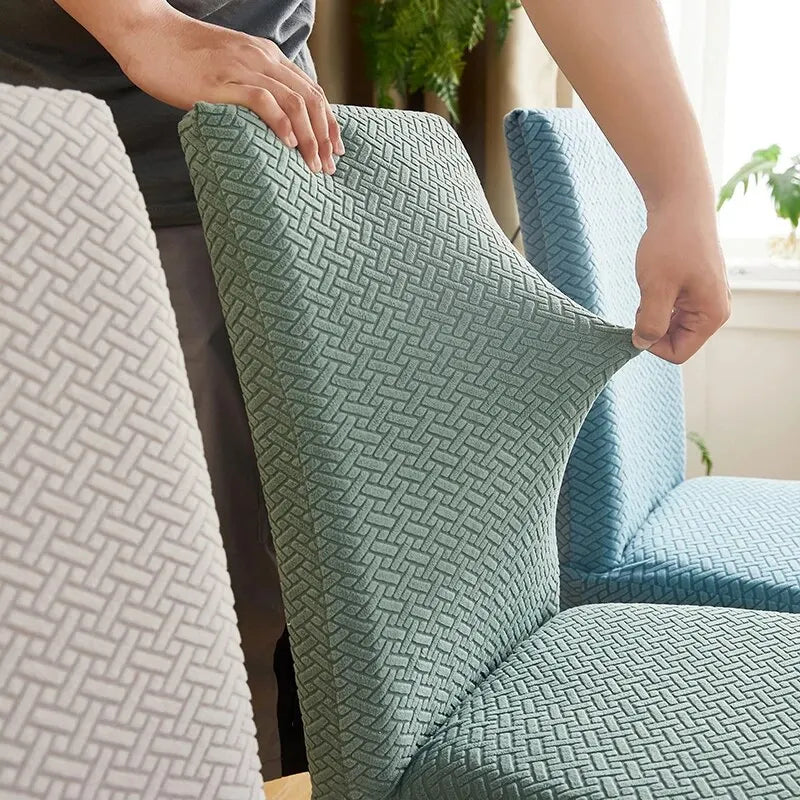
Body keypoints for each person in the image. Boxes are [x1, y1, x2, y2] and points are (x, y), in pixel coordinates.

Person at [0, 0, 730, 778]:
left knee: (297, 635)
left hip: (288, 185)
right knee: (171, 651)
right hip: (73, 185)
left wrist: (680, 190)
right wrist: (141, 23)